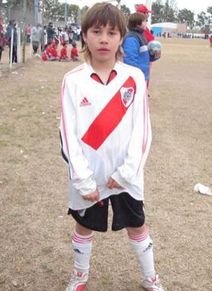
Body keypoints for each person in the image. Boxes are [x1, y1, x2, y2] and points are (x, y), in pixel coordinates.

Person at [60, 2, 164, 291]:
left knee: (138, 225)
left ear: (121, 38)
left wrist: (127, 172)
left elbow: (142, 132)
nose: (103, 39)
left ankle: (150, 277)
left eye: (111, 32)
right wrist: (82, 179)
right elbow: (68, 134)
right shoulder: (72, 81)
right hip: (89, 175)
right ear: (84, 35)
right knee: (83, 226)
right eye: (96, 31)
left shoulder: (134, 79)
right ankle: (79, 277)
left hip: (125, 176)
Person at [122, 13, 160, 85]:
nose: (146, 23)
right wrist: (137, 76)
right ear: (137, 23)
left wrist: (154, 55)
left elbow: (145, 57)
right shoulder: (131, 38)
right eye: (144, 21)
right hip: (136, 79)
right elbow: (130, 61)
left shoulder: (141, 36)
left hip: (142, 77)